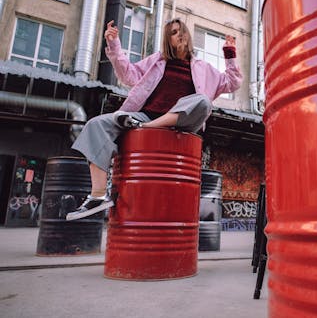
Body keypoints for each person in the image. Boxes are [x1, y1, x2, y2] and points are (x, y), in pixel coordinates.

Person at [66, 18, 242, 221]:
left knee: (202, 101)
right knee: (96, 124)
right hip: (145, 115)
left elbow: (232, 82)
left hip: (183, 123)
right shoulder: (156, 62)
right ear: (168, 39)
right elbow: (128, 75)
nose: (180, 34)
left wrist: (229, 54)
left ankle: (146, 127)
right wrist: (114, 45)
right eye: (174, 32)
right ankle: (97, 196)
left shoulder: (204, 68)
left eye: (182, 31)